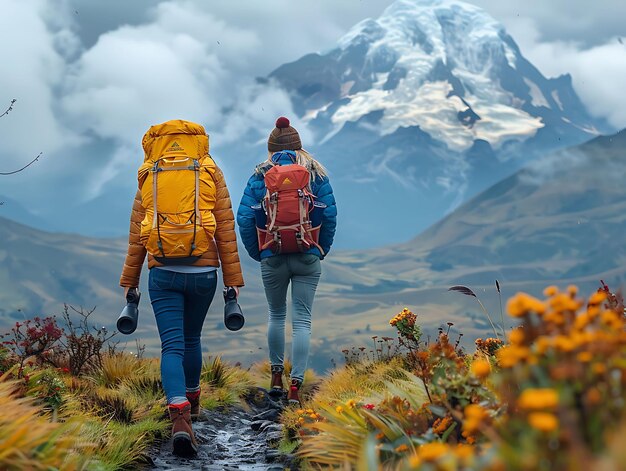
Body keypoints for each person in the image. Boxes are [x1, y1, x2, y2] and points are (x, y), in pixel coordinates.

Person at [119, 119, 244, 457]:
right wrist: (232, 284)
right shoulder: (209, 169)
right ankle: (194, 400)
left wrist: (130, 283)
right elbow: (226, 230)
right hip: (204, 272)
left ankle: (179, 417)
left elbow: (137, 234)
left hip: (163, 274)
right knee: (192, 338)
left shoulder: (149, 173)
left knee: (171, 345)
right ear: (198, 140)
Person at [237, 117, 337, 404]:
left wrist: (260, 252)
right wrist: (320, 249)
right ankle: (297, 385)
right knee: (303, 320)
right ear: (299, 147)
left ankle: (276, 378)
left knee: (276, 316)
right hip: (307, 254)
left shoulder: (260, 176)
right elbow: (328, 215)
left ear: (271, 149)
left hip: (272, 255)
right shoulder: (316, 174)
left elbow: (244, 217)